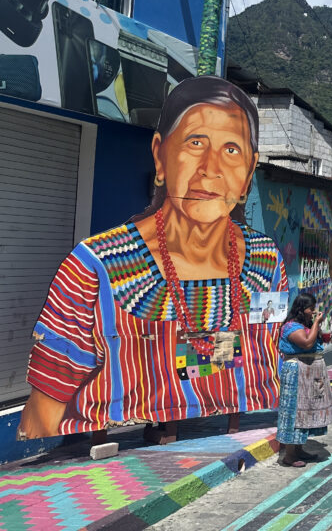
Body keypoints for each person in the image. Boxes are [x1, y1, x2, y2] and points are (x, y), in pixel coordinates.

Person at [18, 77, 288, 440]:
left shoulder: (266, 263)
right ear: (160, 155)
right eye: (195, 143)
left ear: (248, 174)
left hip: (237, 438)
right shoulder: (95, 269)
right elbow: (43, 416)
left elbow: (265, 346)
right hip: (112, 468)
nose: (211, 167)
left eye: (232, 150)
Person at [277, 292, 332, 467]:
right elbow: (307, 343)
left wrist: (318, 327)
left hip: (308, 372)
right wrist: (316, 323)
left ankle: (299, 449)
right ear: (301, 309)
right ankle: (289, 455)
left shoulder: (303, 324)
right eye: (310, 308)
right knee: (295, 411)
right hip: (296, 373)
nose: (313, 311)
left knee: (305, 411)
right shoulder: (291, 327)